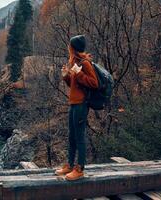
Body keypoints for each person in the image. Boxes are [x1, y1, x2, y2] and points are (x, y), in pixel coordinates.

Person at [55, 35, 99, 181]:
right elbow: (74, 86)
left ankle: (79, 169)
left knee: (79, 137)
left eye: (70, 46)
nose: (69, 47)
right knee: (71, 136)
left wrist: (79, 73)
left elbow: (94, 83)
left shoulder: (85, 63)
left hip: (81, 104)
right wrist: (66, 76)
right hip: (73, 103)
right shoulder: (74, 62)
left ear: (73, 48)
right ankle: (69, 165)